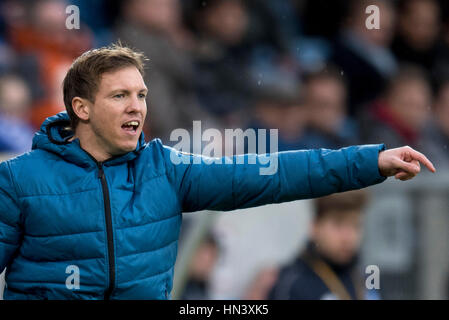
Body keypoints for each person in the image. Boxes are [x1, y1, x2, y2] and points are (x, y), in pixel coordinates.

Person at [0, 44, 436, 300]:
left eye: (141, 94)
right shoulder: (19, 180)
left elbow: (271, 173)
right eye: (119, 95)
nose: (136, 106)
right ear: (81, 108)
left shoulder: (165, 170)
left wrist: (368, 162)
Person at [268, 189, 377, 300]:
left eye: (355, 225)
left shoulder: (368, 277)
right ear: (315, 227)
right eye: (338, 224)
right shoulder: (291, 284)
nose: (348, 237)